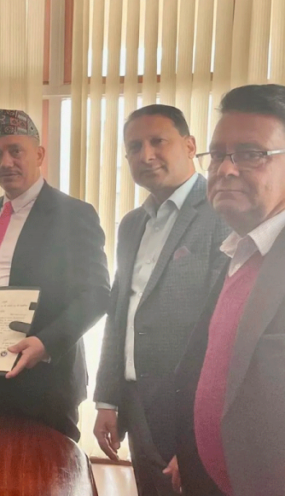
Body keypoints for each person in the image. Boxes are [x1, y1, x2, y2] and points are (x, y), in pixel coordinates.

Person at [0, 109, 110, 441]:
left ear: (39, 155)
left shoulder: (73, 214)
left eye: (15, 150)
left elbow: (97, 294)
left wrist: (46, 344)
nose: (5, 162)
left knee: (49, 468)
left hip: (46, 380)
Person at [93, 105, 229, 496]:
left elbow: (223, 331)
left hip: (188, 407)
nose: (146, 155)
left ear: (190, 146)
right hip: (137, 401)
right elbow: (120, 314)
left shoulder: (220, 213)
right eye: (135, 147)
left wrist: (198, 437)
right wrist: (108, 400)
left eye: (158, 142)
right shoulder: (132, 224)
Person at [175, 84, 285, 496]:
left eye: (251, 154)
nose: (225, 169)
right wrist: (191, 453)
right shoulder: (241, 249)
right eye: (218, 155)